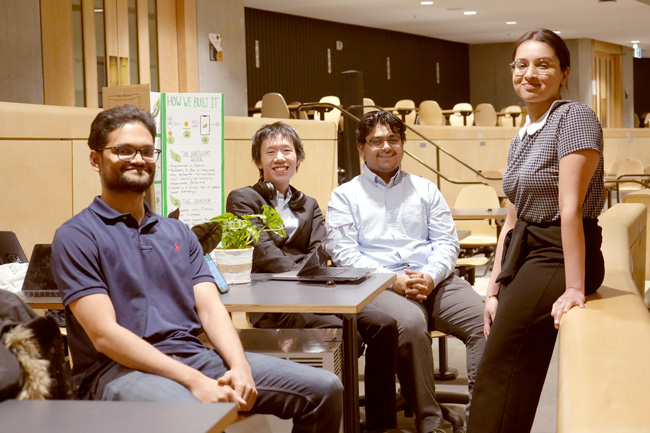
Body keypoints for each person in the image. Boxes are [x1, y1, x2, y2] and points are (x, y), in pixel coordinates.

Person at [50, 105, 342, 433]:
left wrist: (240, 365)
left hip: (192, 354)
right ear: (95, 159)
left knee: (324, 389)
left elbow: (210, 307)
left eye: (147, 151)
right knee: (195, 415)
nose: (138, 159)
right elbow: (105, 336)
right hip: (116, 371)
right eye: (123, 150)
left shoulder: (177, 233)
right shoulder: (76, 235)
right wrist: (195, 381)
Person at [466, 29, 606, 433]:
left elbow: (570, 208)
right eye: (521, 64)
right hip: (526, 252)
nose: (530, 73)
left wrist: (576, 287)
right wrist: (493, 288)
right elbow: (512, 220)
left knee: (502, 363)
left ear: (564, 72)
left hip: (559, 252)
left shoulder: (573, 117)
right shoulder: (521, 136)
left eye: (543, 64)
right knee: (501, 358)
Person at [226, 121, 399, 432]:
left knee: (384, 325)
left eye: (287, 151)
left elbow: (321, 248)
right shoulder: (243, 199)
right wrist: (304, 273)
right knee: (343, 331)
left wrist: (310, 272)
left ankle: (378, 423)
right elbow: (263, 253)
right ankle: (338, 418)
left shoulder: (308, 203)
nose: (280, 158)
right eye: (271, 152)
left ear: (298, 158)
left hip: (319, 290)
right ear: (259, 160)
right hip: (274, 299)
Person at [326, 110, 486, 433]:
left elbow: (447, 242)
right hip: (378, 286)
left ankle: (483, 418)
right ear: (361, 148)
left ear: (403, 144)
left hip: (434, 281)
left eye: (394, 140)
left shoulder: (426, 190)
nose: (386, 147)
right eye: (377, 141)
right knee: (411, 323)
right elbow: (343, 253)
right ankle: (431, 421)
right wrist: (392, 279)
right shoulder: (345, 196)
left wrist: (429, 275)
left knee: (485, 321)